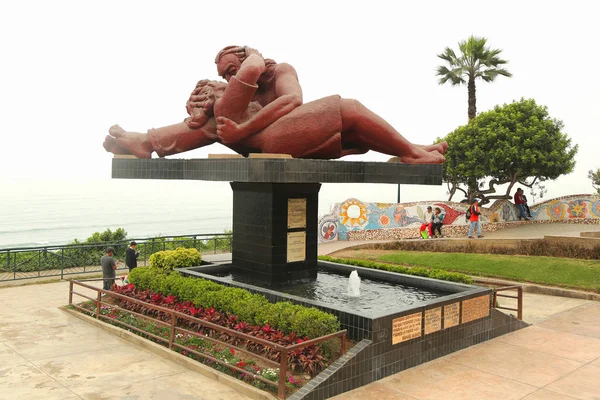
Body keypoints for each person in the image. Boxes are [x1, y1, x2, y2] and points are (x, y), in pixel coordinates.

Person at [104, 48, 447, 162]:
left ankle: (410, 148)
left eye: (231, 68)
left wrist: (241, 126)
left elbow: (291, 100)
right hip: (268, 142)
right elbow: (217, 119)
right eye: (225, 73)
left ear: (247, 56)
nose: (230, 75)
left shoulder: (278, 72)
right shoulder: (243, 86)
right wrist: (211, 102)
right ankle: (412, 154)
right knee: (349, 108)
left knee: (353, 126)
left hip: (276, 136)